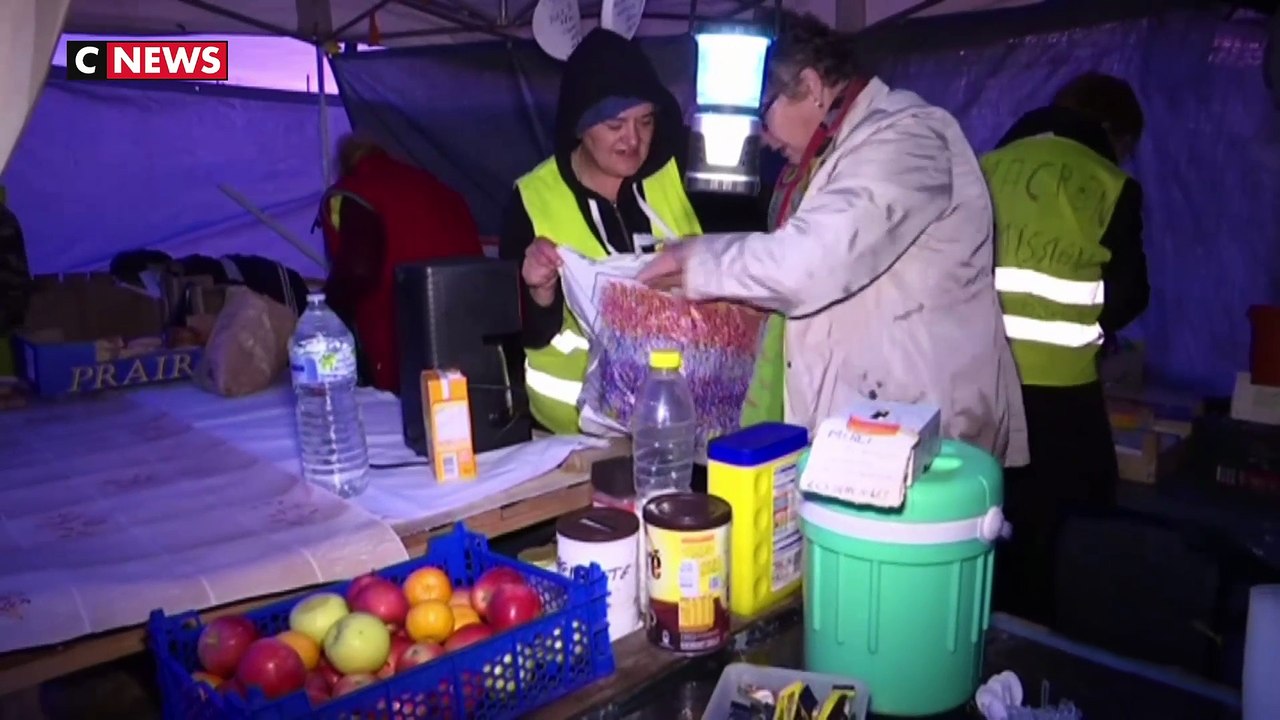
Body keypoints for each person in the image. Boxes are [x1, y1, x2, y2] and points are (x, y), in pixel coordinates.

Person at [636, 12, 1029, 467]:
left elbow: (810, 261)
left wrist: (699, 261)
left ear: (811, 85)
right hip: (869, 434)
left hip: (924, 443)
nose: (761, 139)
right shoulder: (829, 157)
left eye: (763, 115)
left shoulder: (907, 136)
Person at [500, 28, 768, 435]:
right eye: (614, 125)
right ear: (580, 127)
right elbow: (525, 338)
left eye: (645, 121)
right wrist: (539, 292)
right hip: (575, 437)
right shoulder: (533, 199)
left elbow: (743, 258)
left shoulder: (676, 174)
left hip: (685, 424)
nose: (634, 139)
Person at [982, 72, 1150, 625]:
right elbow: (1129, 294)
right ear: (1109, 130)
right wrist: (1086, 323)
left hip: (984, 391)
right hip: (1064, 404)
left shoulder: (984, 168)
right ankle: (1051, 659)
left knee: (986, 526)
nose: (1124, 157)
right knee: (1072, 535)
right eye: (1126, 146)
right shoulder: (1110, 184)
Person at [319, 135, 484, 394]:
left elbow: (358, 269)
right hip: (470, 320)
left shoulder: (358, 189)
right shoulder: (435, 185)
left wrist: (325, 307)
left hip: (403, 332)